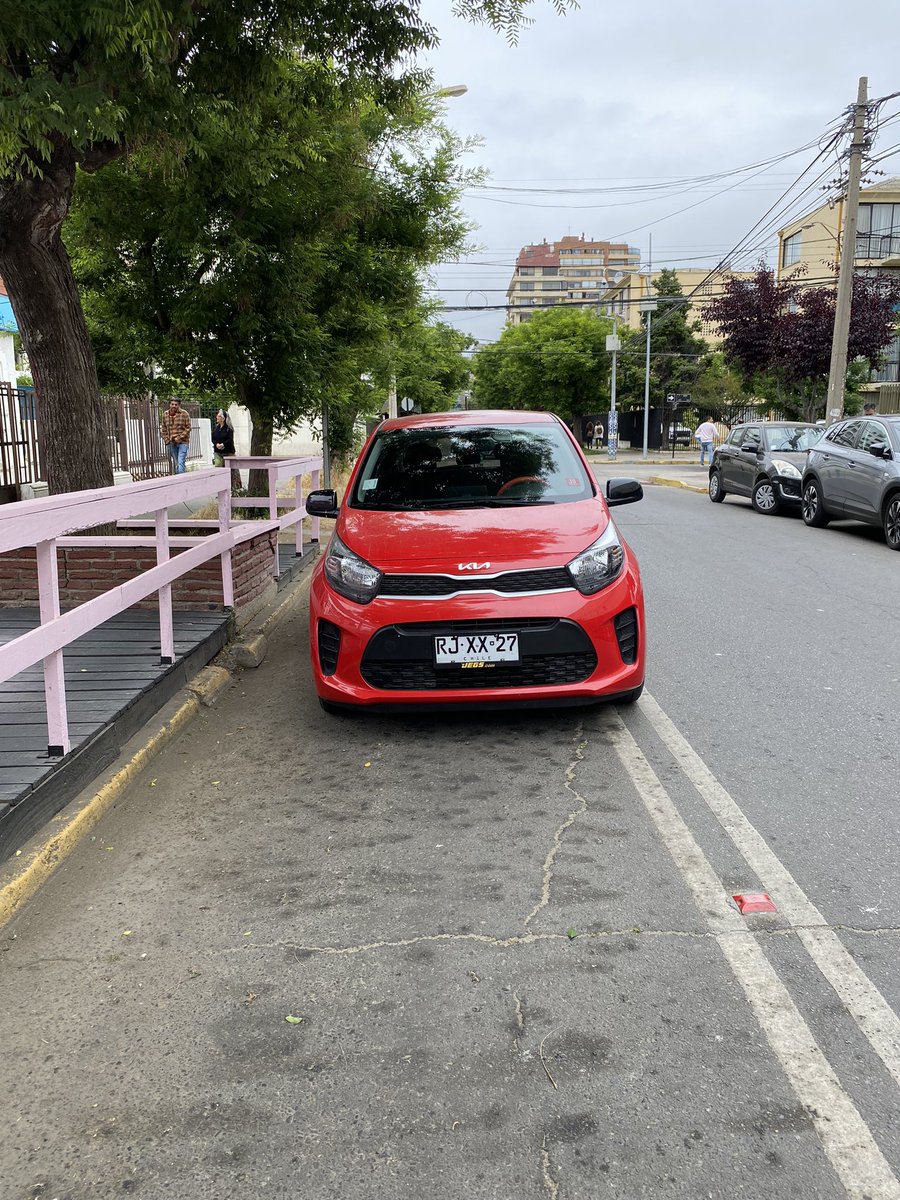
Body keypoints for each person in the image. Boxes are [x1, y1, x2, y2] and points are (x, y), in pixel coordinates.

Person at [161, 398, 192, 474]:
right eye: (172, 404)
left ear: (179, 405)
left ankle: (181, 479)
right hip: (171, 442)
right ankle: (180, 478)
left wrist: (180, 437)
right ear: (169, 404)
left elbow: (188, 428)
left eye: (176, 404)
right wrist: (166, 440)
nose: (174, 406)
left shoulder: (184, 414)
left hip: (183, 442)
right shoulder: (165, 414)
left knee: (180, 460)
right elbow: (163, 428)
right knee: (176, 462)